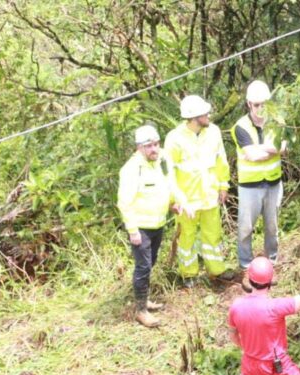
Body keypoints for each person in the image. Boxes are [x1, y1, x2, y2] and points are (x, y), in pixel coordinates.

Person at [117, 125, 186, 327]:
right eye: (149, 146)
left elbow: (168, 184)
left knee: (151, 262)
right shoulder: (131, 169)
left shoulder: (161, 160)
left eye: (156, 144)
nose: (154, 149)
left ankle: (144, 298)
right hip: (141, 227)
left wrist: (173, 203)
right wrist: (132, 230)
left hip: (158, 222)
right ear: (139, 148)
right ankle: (140, 310)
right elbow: (124, 202)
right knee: (143, 266)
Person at [164, 95, 236, 286]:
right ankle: (188, 274)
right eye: (205, 113)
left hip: (210, 195)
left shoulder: (213, 132)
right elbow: (169, 173)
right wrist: (174, 200)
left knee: (213, 235)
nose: (209, 115)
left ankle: (217, 270)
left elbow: (221, 160)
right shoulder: (174, 139)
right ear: (194, 117)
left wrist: (223, 185)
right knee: (186, 237)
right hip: (187, 200)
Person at [231, 80, 287, 270]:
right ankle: (246, 265)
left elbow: (284, 148)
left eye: (264, 104)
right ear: (248, 104)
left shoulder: (277, 121)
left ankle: (271, 261)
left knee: (272, 226)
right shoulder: (241, 126)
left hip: (273, 183)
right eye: (256, 104)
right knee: (246, 228)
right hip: (250, 186)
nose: (260, 108)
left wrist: (261, 149)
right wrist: (273, 149)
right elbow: (252, 156)